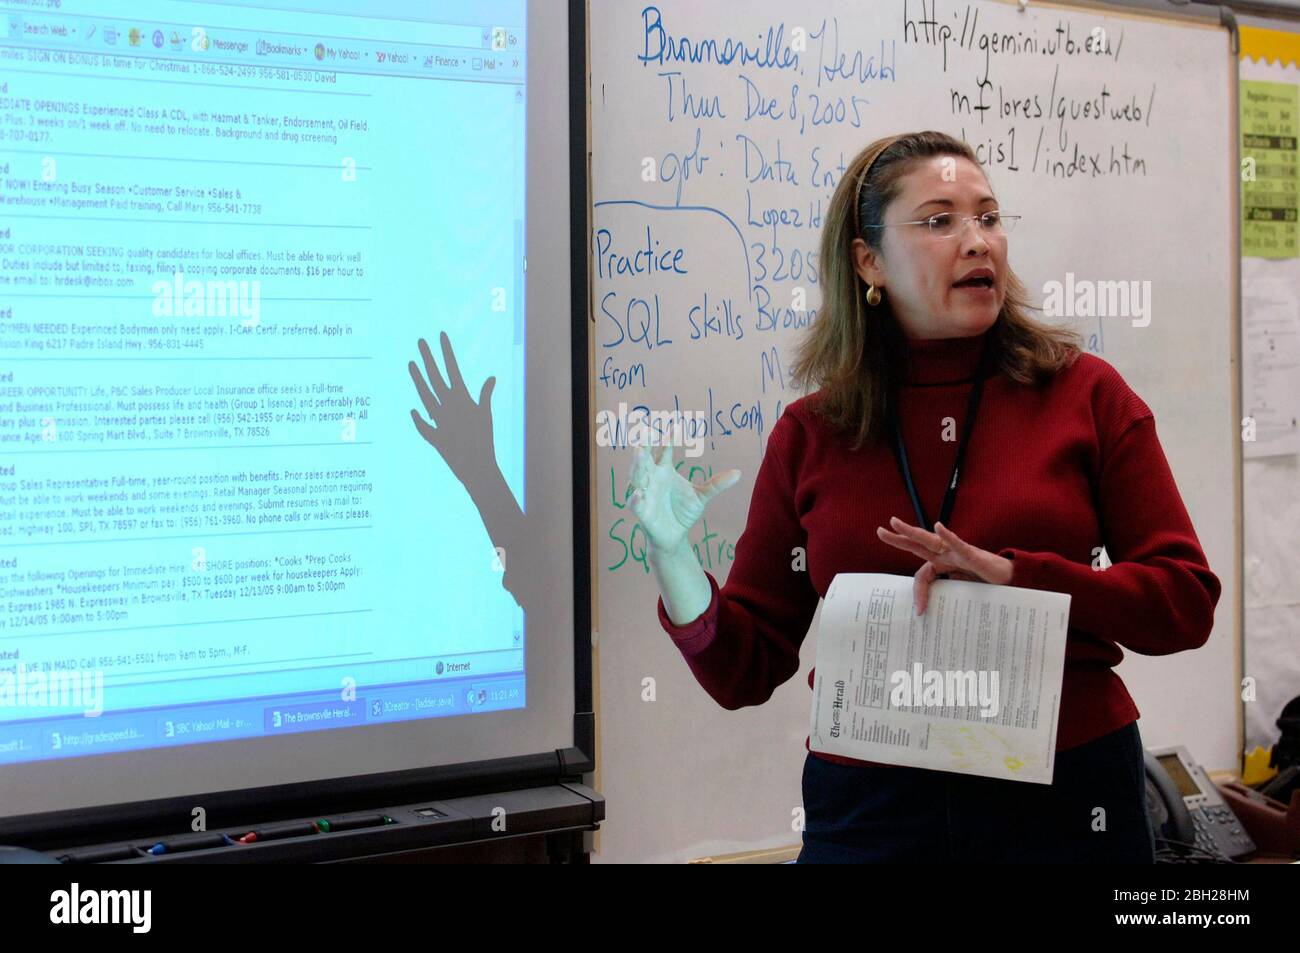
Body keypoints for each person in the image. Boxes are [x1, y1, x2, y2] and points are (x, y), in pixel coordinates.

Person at [628, 130, 1221, 863]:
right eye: (939, 221)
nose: (977, 241)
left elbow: (1185, 600)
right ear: (867, 260)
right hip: (872, 815)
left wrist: (1020, 576)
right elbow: (743, 670)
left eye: (989, 217)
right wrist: (674, 560)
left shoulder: (1086, 395)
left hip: (1066, 801)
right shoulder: (813, 432)